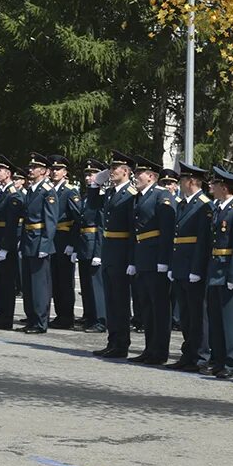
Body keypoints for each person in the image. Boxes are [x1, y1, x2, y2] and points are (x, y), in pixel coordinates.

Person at [202, 166, 233, 379]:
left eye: (214, 184)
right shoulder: (219, 208)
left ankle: (231, 363)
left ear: (223, 187)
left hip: (227, 269)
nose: (210, 187)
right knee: (215, 317)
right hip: (215, 268)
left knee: (229, 319)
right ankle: (219, 359)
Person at [130, 158, 176, 365]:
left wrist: (163, 260)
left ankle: (160, 351)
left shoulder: (162, 195)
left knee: (159, 307)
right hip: (142, 257)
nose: (135, 176)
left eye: (140, 173)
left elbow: (167, 231)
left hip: (156, 257)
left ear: (151, 176)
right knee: (146, 306)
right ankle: (149, 348)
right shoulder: (140, 197)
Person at [167, 162, 213, 372]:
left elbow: (202, 241)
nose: (180, 184)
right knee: (185, 314)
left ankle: (201, 356)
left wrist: (196, 268)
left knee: (198, 314)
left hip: (194, 268)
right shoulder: (185, 203)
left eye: (182, 180)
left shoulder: (204, 205)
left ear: (192, 181)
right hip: (181, 266)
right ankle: (188, 353)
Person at [94, 153, 136, 358]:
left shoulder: (130, 193)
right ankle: (113, 341)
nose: (112, 171)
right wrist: (95, 185)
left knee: (120, 301)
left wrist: (130, 259)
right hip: (110, 251)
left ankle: (121, 344)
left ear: (126, 171)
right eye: (111, 168)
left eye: (116, 168)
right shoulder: (111, 192)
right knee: (110, 299)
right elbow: (94, 209)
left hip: (121, 253)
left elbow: (132, 230)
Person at [19, 153, 55, 334]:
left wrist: (45, 245)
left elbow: (50, 220)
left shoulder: (47, 191)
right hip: (28, 239)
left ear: (43, 171)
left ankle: (41, 322)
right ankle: (31, 318)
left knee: (39, 284)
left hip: (39, 239)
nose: (30, 170)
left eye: (34, 168)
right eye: (30, 167)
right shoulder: (32, 189)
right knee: (28, 283)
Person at [0, 155, 23, 330]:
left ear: (8, 173)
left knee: (6, 283)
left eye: (0, 170)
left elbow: (11, 225)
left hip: (4, 241)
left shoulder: (13, 195)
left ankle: (6, 318)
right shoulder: (1, 192)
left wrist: (6, 247)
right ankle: (0, 315)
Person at [75, 158, 106, 334]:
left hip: (94, 242)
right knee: (87, 285)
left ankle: (100, 319)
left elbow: (101, 226)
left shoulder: (101, 197)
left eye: (92, 174)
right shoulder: (87, 197)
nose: (88, 177)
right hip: (85, 243)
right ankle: (90, 316)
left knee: (97, 285)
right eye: (86, 174)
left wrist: (98, 252)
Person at [47, 155, 78, 330]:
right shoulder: (51, 189)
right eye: (52, 169)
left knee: (65, 280)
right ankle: (59, 315)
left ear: (65, 172)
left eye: (58, 169)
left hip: (64, 237)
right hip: (53, 238)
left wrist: (72, 243)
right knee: (55, 279)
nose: (54, 172)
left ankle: (67, 317)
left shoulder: (70, 190)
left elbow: (77, 218)